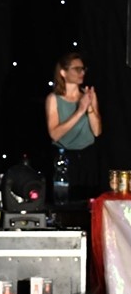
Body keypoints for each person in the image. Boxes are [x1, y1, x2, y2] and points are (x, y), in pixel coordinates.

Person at [45, 52, 103, 201]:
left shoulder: (88, 95)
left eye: (83, 69)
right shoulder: (53, 99)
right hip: (64, 158)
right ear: (63, 73)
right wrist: (80, 111)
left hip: (87, 157)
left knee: (88, 203)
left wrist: (89, 107)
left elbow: (97, 131)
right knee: (65, 202)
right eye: (77, 69)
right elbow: (55, 134)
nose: (82, 72)